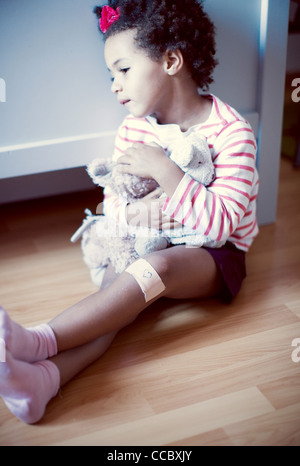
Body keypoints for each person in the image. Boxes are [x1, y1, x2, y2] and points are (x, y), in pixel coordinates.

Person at [0, 0, 259, 424]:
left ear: (172, 60)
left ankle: (39, 340)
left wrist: (167, 172)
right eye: (111, 75)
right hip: (144, 241)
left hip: (213, 257)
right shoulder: (134, 127)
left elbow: (221, 225)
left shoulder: (232, 132)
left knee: (157, 267)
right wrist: (136, 214)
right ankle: (45, 380)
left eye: (123, 69)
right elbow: (118, 198)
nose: (114, 85)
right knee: (117, 294)